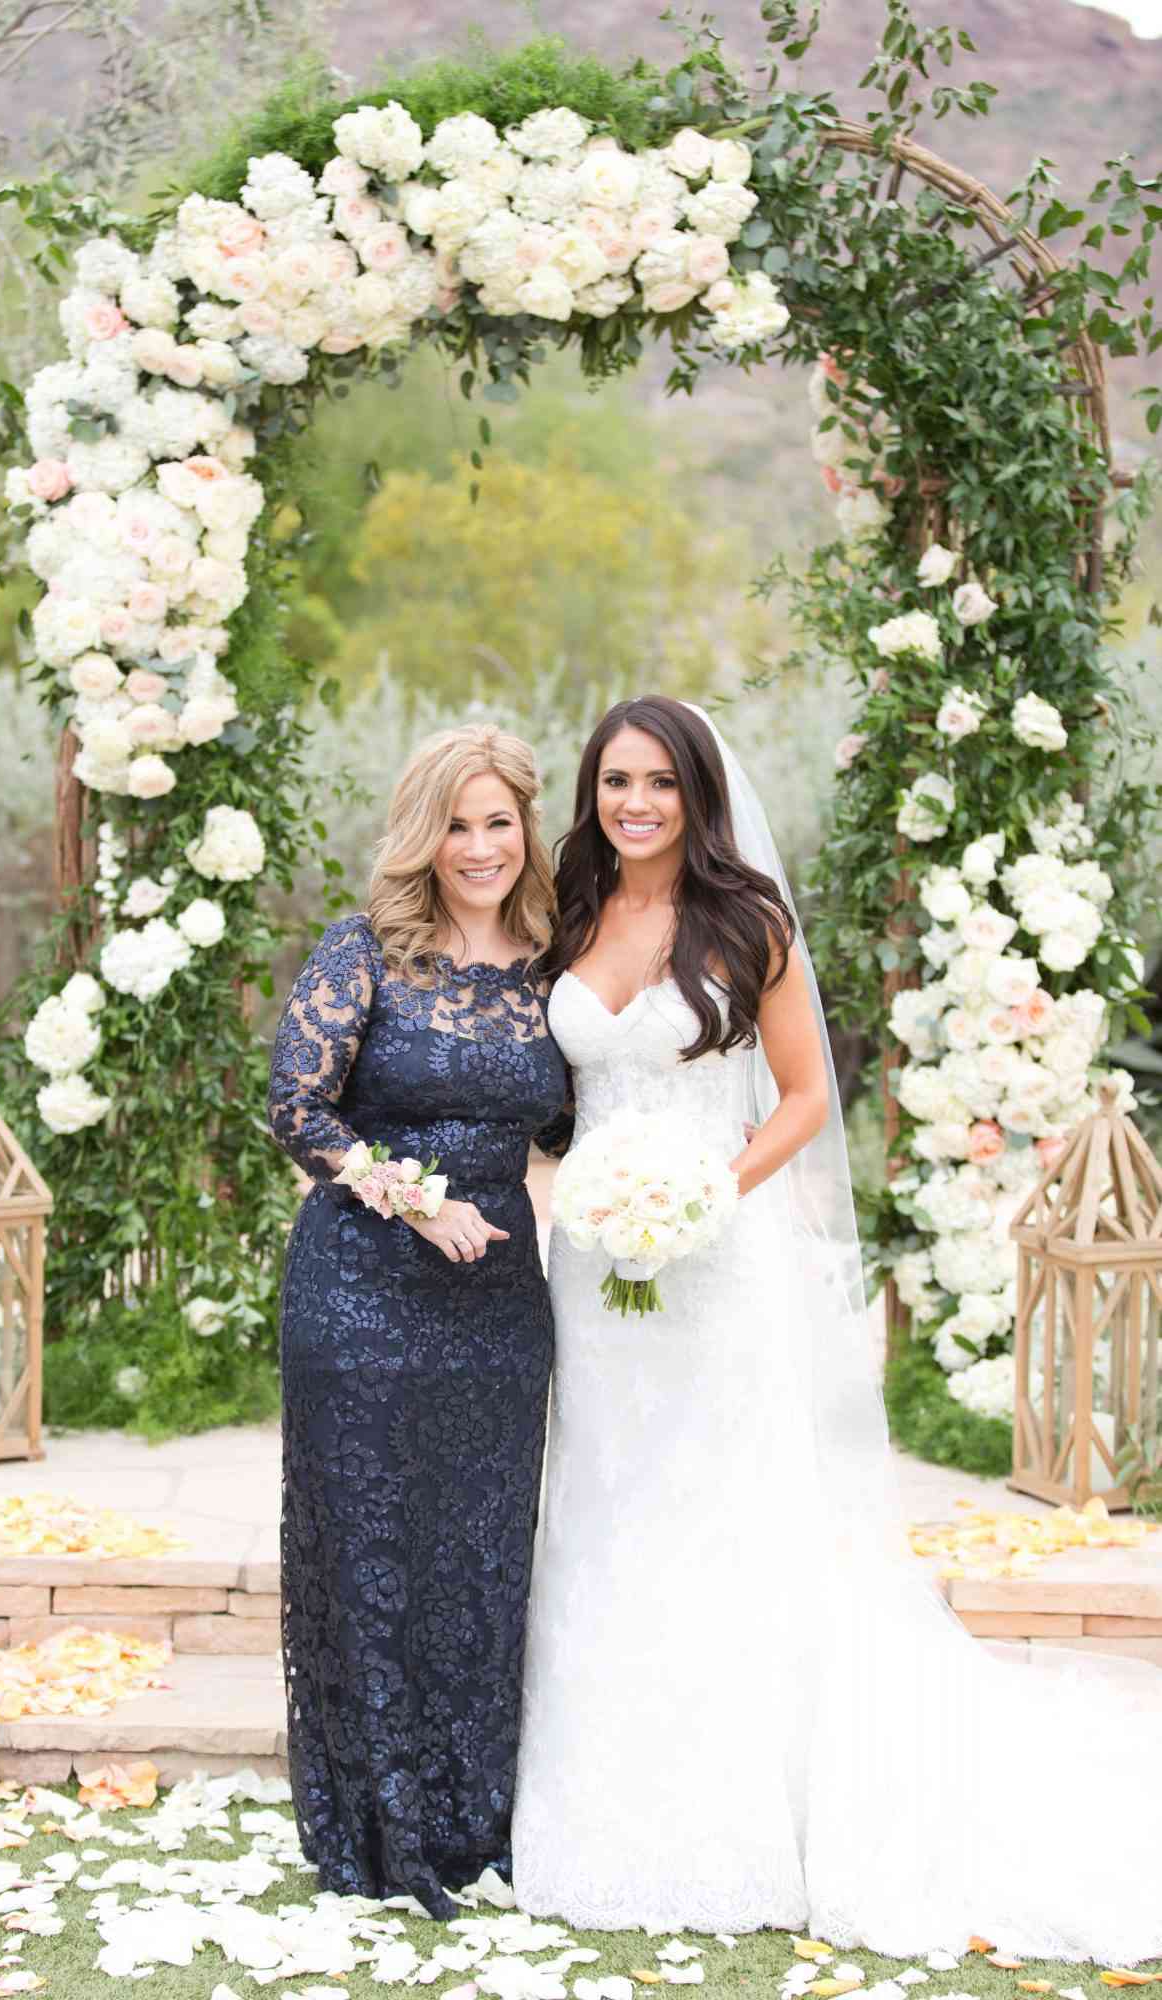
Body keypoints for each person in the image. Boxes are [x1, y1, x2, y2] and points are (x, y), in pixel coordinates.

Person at [512, 694, 1162, 1961]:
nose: (634, 802)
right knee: (599, 1502)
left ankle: (748, 1813)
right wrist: (574, 1198)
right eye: (613, 781)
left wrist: (707, 1192)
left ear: (697, 793)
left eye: (658, 781)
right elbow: (557, 1099)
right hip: (592, 1272)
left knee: (721, 1508)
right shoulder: (569, 918)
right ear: (589, 795)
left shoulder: (744, 922)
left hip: (718, 1259)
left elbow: (805, 1097)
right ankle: (598, 1804)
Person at [267, 723, 568, 1919]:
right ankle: (376, 1825)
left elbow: (568, 1130)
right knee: (372, 1553)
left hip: (499, 1306)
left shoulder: (554, 969)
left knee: (477, 1556)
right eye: (457, 822)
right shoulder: (367, 953)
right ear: (422, 834)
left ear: (525, 830)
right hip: (360, 1293)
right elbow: (295, 1104)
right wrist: (413, 1196)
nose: (480, 845)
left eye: (499, 821)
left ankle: (466, 1819)